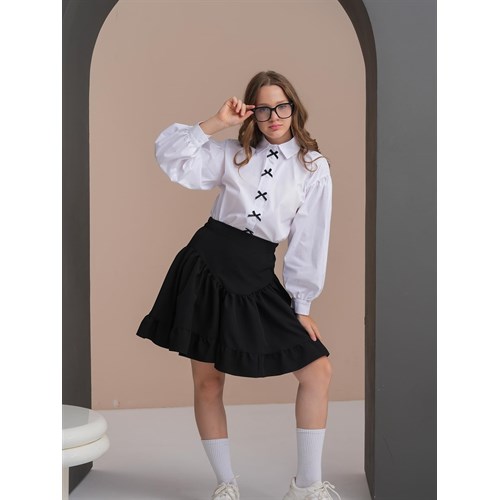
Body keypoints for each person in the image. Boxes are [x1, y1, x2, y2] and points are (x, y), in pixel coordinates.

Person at [136, 70, 341, 500]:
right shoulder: (232, 153)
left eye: (281, 106)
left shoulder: (313, 168)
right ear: (251, 112)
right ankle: (226, 485)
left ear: (294, 108)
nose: (274, 117)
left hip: (257, 273)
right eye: (263, 109)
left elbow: (309, 240)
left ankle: (307, 486)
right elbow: (169, 156)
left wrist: (301, 305)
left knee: (317, 370)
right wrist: (216, 122)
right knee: (208, 381)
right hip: (206, 267)